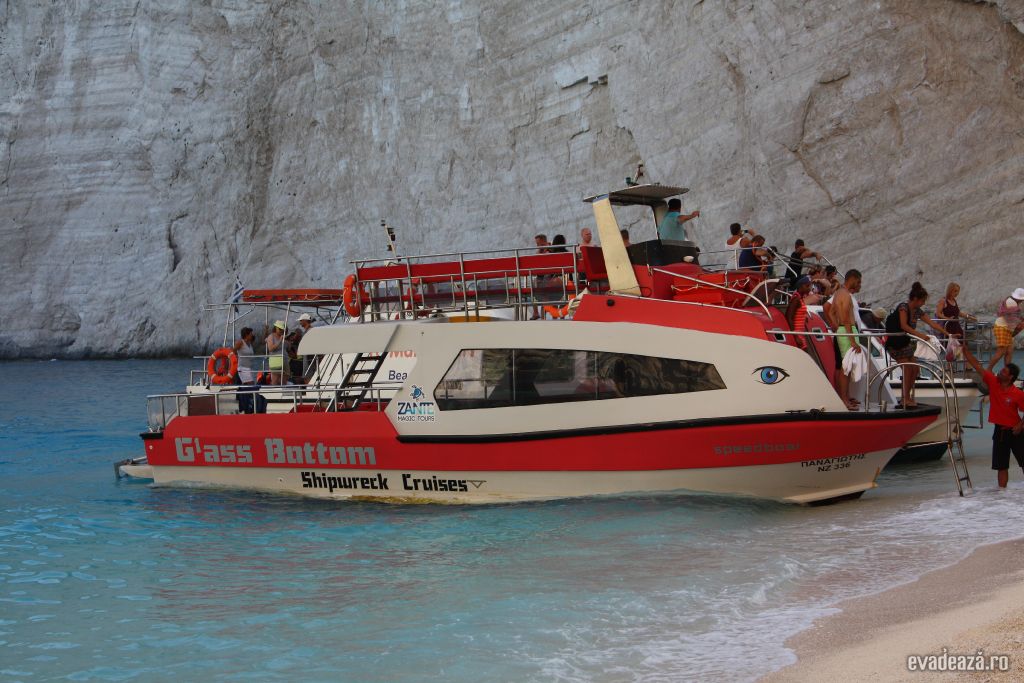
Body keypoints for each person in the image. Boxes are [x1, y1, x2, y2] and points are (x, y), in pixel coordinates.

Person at [960, 343, 1024, 488]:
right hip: (999, 432)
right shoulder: (994, 382)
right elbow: (977, 366)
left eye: (1003, 372)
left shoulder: (1018, 393)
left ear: (1011, 377)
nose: (1000, 372)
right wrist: (965, 352)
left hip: (1016, 432)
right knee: (1001, 466)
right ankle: (1002, 495)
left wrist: (1020, 425)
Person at [886, 282, 948, 408]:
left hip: (905, 343)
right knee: (908, 368)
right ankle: (905, 398)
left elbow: (932, 324)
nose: (924, 303)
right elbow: (904, 325)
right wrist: (921, 336)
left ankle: (907, 396)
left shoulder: (918, 311)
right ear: (915, 299)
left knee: (915, 369)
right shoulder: (903, 307)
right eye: (923, 300)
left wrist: (948, 334)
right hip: (896, 343)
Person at [829, 269, 864, 409]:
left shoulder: (839, 293)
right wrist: (852, 340)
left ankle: (845, 397)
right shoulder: (845, 295)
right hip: (847, 332)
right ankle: (844, 400)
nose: (860, 285)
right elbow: (845, 319)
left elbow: (831, 312)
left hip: (844, 331)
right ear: (853, 279)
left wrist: (837, 327)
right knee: (846, 368)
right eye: (859, 281)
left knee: (846, 367)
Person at [987, 288, 1024, 371]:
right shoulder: (1011, 302)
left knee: (1009, 352)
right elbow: (1013, 320)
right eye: (1021, 300)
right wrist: (1021, 324)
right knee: (1001, 352)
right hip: (1002, 327)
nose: (1022, 301)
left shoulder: (1011, 301)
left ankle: (1007, 372)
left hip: (1006, 328)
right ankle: (988, 371)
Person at [785, 276, 813, 348]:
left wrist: (803, 316)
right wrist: (795, 336)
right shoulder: (796, 299)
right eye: (807, 286)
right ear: (801, 286)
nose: (809, 288)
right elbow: (789, 317)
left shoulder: (800, 298)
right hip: (797, 334)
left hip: (800, 333)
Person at [286, 314, 315, 382]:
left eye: (301, 321)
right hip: (307, 357)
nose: (300, 322)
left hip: (308, 357)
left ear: (305, 321)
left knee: (307, 376)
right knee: (306, 376)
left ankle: (309, 391)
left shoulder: (310, 331)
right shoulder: (308, 330)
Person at [265, 320, 285, 385]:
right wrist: (279, 341)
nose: (281, 330)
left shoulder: (281, 337)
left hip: (283, 361)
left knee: (283, 380)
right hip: (275, 361)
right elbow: (270, 349)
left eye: (282, 329)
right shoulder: (271, 336)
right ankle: (273, 392)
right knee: (275, 380)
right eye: (280, 329)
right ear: (276, 328)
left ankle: (282, 392)